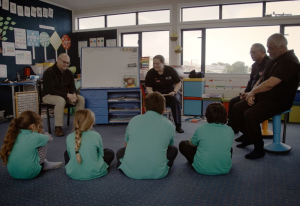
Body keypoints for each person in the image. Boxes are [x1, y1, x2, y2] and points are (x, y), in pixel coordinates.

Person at [233, 33, 300, 159]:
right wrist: (251, 93)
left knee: (250, 115)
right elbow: (262, 79)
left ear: (282, 47)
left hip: (279, 100)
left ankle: (259, 148)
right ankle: (249, 136)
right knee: (237, 108)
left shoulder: (290, 61)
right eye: (268, 47)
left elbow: (271, 83)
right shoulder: (274, 60)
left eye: (271, 48)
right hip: (265, 96)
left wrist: (253, 93)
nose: (268, 51)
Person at [116, 92, 178, 179]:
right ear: (164, 110)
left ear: (144, 108)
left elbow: (126, 144)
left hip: (130, 172)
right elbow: (169, 145)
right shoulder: (169, 124)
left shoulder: (134, 120)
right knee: (174, 149)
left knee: (120, 152)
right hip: (158, 173)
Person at [0, 111, 62, 179]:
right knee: (43, 141)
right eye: (38, 125)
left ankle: (42, 162)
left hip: (12, 173)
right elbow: (50, 138)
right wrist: (42, 132)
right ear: (32, 126)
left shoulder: (13, 134)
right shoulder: (36, 137)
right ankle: (42, 164)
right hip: (30, 173)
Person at [228, 43, 270, 140]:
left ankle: (247, 134)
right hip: (250, 93)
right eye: (250, 53)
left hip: (259, 95)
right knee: (232, 102)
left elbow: (265, 83)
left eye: (253, 52)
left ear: (262, 51)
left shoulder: (269, 64)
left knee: (241, 108)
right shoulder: (254, 65)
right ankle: (235, 128)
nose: (251, 55)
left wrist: (252, 94)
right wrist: (245, 92)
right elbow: (251, 80)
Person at [179, 103, 234, 175]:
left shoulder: (201, 128)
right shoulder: (230, 130)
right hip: (225, 169)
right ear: (225, 115)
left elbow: (192, 143)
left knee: (183, 144)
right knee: (230, 148)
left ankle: (197, 162)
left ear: (207, 115)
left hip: (201, 168)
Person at [64, 109, 114, 180]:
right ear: (91, 122)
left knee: (66, 152)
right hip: (96, 172)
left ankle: (74, 168)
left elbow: (69, 155)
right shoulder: (96, 135)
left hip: (73, 173)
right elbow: (101, 154)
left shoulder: (69, 137)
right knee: (109, 152)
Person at [42, 53, 85, 137]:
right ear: (58, 60)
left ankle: (78, 125)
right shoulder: (49, 72)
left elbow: (72, 87)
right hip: (49, 95)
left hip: (64, 96)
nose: (66, 64)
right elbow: (51, 90)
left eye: (68, 63)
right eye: (64, 62)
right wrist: (67, 95)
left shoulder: (68, 73)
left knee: (81, 99)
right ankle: (58, 127)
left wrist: (73, 95)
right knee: (60, 100)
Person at [145, 55, 184, 133]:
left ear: (163, 63)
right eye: (154, 64)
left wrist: (174, 91)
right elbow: (148, 88)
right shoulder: (150, 73)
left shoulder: (170, 70)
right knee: (151, 103)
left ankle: (178, 125)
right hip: (157, 94)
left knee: (175, 101)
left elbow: (178, 83)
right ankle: (153, 125)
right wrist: (154, 95)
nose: (155, 66)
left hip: (171, 93)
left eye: (157, 64)